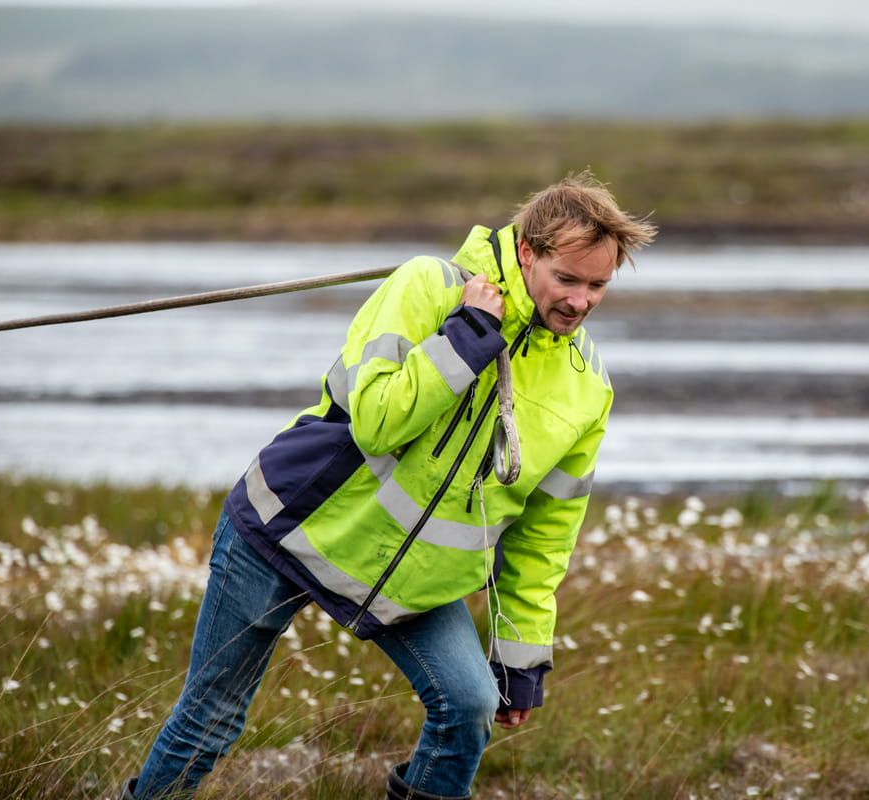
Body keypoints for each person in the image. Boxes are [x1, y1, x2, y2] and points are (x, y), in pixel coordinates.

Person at [118, 171, 656, 800]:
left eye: (598, 286)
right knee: (208, 722)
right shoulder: (427, 285)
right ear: (527, 253)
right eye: (567, 280)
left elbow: (544, 537)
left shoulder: (589, 387)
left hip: (414, 578)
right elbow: (375, 422)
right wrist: (469, 338)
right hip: (288, 527)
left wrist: (521, 659)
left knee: (469, 709)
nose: (581, 301)